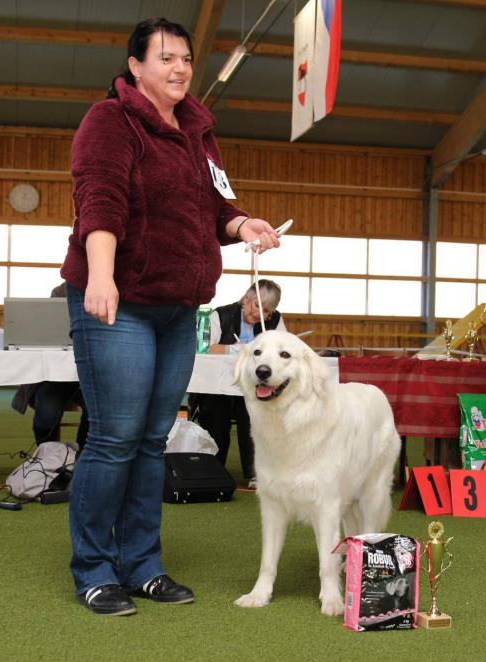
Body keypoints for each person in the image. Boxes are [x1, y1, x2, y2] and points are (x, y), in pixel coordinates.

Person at [59, 17, 282, 617]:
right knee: (114, 438)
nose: (180, 68)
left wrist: (242, 225)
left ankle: (143, 564)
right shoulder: (110, 122)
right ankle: (95, 569)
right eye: (166, 58)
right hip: (121, 303)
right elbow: (98, 200)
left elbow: (212, 205)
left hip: (179, 309)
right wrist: (101, 275)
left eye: (185, 58)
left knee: (153, 441)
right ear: (135, 66)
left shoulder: (197, 132)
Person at [191, 280, 286, 489]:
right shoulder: (220, 315)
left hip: (255, 386)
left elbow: (284, 350)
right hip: (218, 386)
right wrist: (235, 350)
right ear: (246, 299)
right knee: (216, 416)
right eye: (256, 306)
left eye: (268, 312)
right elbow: (204, 347)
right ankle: (214, 469)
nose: (260, 314)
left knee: (253, 416)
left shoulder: (276, 322)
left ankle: (255, 473)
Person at [11, 282, 89, 453]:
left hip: (94, 375)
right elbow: (51, 332)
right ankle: (48, 457)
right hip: (58, 376)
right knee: (46, 413)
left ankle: (83, 456)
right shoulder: (62, 291)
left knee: (97, 412)